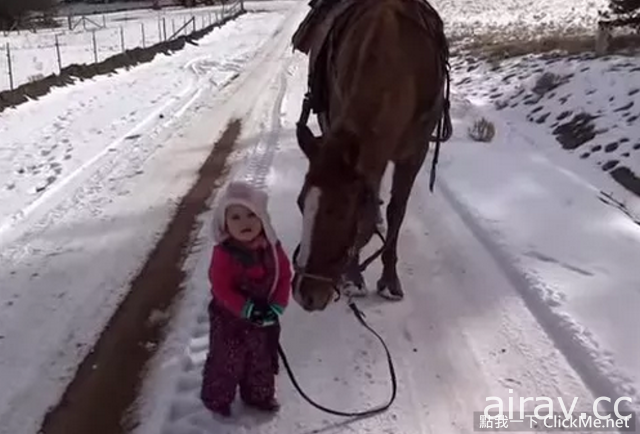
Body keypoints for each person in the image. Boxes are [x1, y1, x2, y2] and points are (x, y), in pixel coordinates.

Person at [200, 180, 292, 417]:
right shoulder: (224, 253)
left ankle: (258, 396)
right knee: (226, 361)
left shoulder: (272, 248)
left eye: (251, 215)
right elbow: (220, 287)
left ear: (262, 218)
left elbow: (283, 276)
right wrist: (247, 309)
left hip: (265, 316)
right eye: (236, 217)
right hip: (229, 318)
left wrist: (278, 306)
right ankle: (218, 399)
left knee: (260, 360)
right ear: (225, 223)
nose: (245, 222)